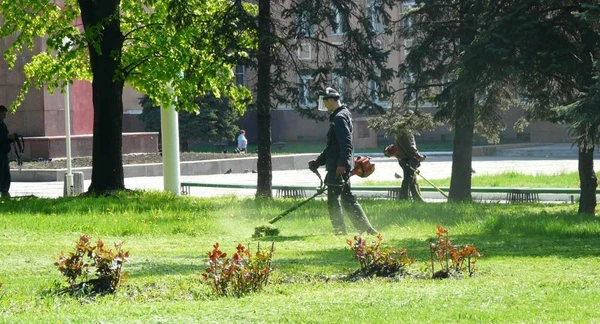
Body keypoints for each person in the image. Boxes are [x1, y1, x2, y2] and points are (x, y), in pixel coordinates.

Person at [308, 88, 378, 235]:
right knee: (347, 198)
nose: (325, 106)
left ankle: (340, 231)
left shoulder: (339, 118)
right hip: (340, 164)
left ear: (331, 100)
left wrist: (341, 164)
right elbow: (333, 146)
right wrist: (318, 162)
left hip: (338, 167)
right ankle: (367, 229)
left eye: (325, 102)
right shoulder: (342, 115)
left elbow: (346, 143)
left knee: (334, 200)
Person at [387, 110, 426, 202]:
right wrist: (419, 156)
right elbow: (411, 146)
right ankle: (403, 199)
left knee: (412, 179)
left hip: (402, 158)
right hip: (409, 159)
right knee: (408, 179)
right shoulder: (407, 130)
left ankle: (418, 199)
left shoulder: (399, 130)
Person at [0, 105, 16, 198]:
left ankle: (5, 191)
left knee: (6, 174)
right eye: (3, 114)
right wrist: (7, 137)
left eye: (5, 114)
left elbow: (5, 137)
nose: (4, 116)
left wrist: (11, 138)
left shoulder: (2, 124)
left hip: (4, 154)